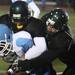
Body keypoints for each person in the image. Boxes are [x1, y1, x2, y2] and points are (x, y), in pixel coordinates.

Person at [0, 1, 53, 75]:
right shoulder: (5, 20)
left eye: (21, 20)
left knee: (21, 39)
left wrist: (23, 58)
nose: (18, 23)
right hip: (16, 54)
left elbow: (41, 48)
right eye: (15, 20)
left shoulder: (36, 24)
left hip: (34, 57)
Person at [17, 8, 73, 75]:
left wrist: (28, 64)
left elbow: (46, 58)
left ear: (61, 27)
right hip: (55, 53)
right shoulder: (45, 19)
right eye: (49, 24)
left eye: (53, 27)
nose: (49, 28)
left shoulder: (63, 39)